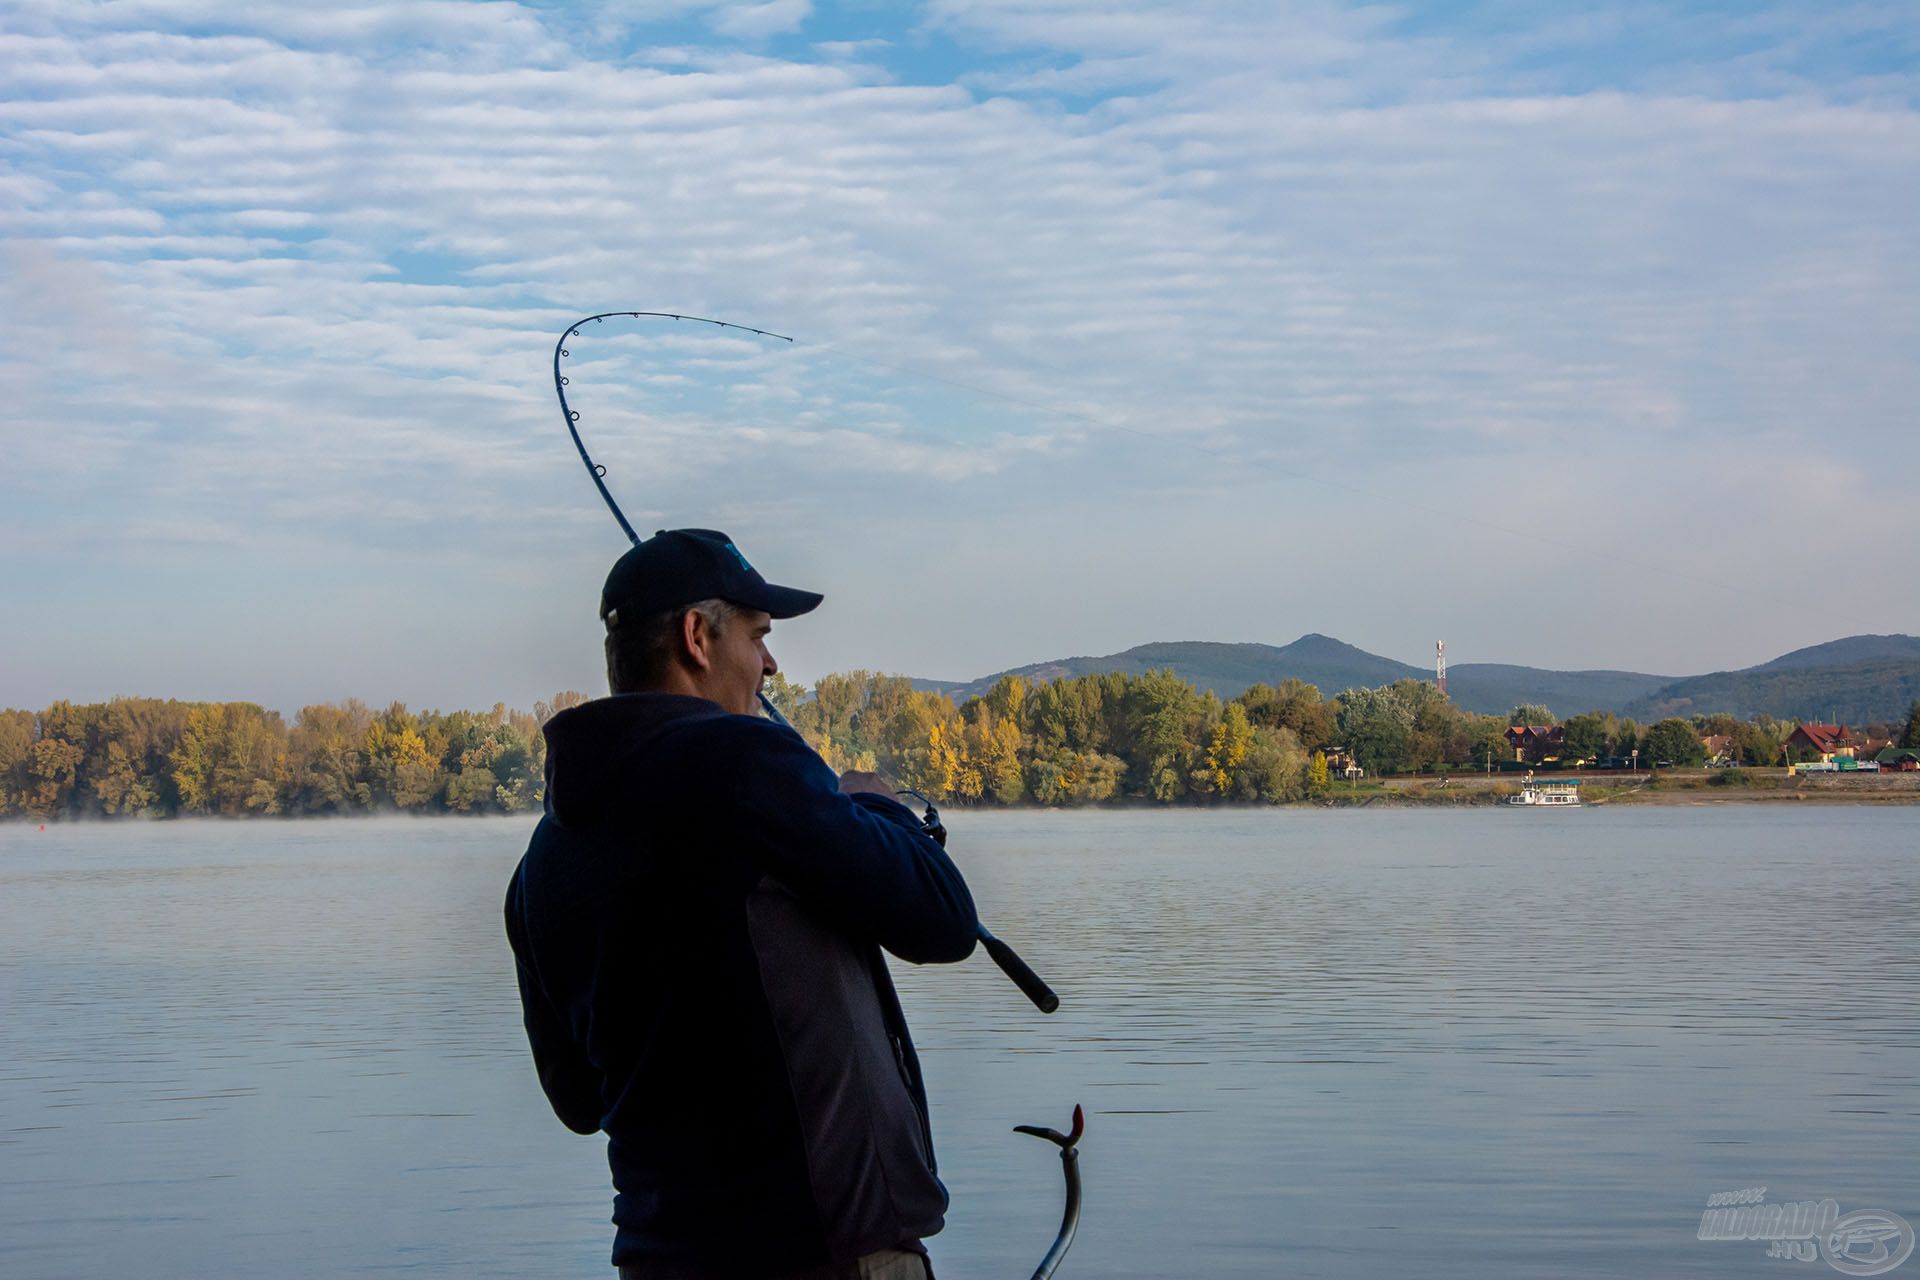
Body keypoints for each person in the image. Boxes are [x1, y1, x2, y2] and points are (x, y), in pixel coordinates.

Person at [504, 528, 978, 1280]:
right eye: (758, 635)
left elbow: (579, 1100)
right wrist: (875, 806)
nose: (770, 662)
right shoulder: (750, 768)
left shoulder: (543, 858)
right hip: (824, 1255)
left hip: (659, 1260)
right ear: (698, 637)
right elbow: (944, 921)